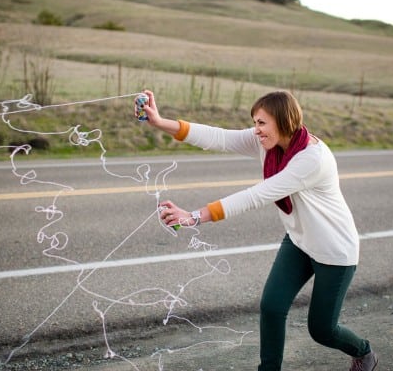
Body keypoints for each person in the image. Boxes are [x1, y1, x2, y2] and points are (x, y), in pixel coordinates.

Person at [136, 89, 378, 371]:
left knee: (322, 330)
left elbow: (257, 195)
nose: (256, 130)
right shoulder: (267, 143)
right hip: (300, 242)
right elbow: (219, 137)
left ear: (284, 120)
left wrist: (194, 216)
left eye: (262, 123)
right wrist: (160, 122)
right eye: (255, 123)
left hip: (334, 250)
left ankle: (364, 353)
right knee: (272, 307)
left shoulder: (312, 159)